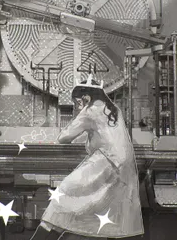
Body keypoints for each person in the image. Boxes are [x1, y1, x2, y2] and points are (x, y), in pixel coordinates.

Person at [30, 75, 143, 240]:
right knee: (117, 212)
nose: (79, 105)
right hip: (125, 169)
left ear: (86, 96)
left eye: (79, 101)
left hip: (104, 162)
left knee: (64, 193)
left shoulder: (90, 110)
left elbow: (64, 137)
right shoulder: (114, 109)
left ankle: (46, 231)